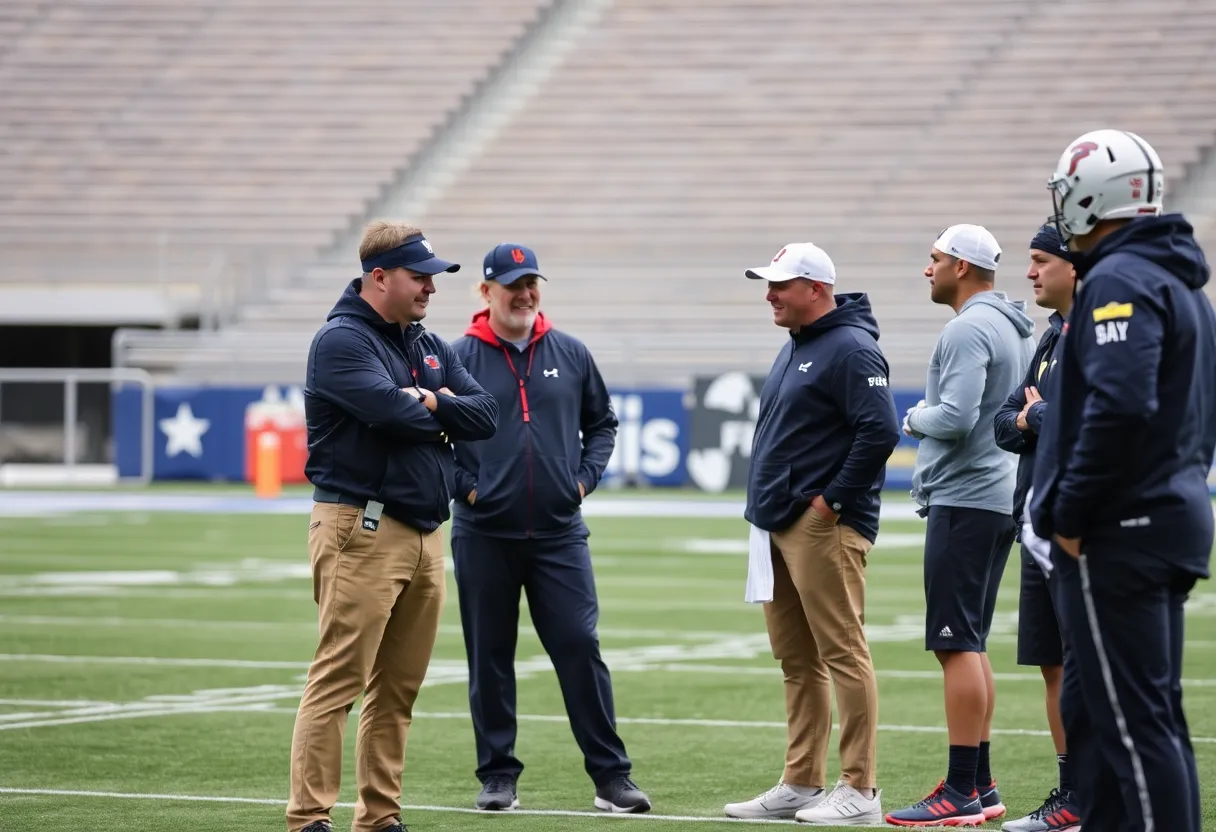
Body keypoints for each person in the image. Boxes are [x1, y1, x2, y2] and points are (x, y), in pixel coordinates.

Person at [1030, 129, 1216, 832]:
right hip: (1167, 513)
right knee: (1143, 722)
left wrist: (1070, 514)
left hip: (1123, 530)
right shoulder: (1175, 278)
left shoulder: (1118, 277)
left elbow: (1120, 406)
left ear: (1088, 196)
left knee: (1130, 729)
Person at [288, 221, 499, 832]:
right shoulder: (341, 341)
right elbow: (389, 413)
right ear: (378, 278)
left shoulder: (425, 342)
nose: (431, 288)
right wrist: (432, 410)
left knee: (398, 689)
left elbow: (483, 415)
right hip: (362, 525)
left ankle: (379, 817)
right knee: (340, 680)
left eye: (433, 277)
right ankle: (308, 819)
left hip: (426, 531)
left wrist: (430, 402)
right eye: (419, 277)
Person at [448, 243, 650, 814]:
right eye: (512, 284)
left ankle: (611, 777)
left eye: (531, 282)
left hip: (560, 531)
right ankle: (497, 776)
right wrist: (467, 487)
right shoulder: (456, 357)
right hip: (483, 532)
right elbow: (432, 439)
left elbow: (602, 424)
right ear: (486, 293)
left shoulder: (571, 351)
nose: (524, 293)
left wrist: (582, 480)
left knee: (580, 647)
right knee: (490, 654)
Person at [726, 242, 900, 825]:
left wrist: (831, 503)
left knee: (843, 652)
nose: (769, 294)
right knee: (797, 660)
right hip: (778, 522)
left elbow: (879, 433)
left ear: (816, 289)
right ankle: (802, 781)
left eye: (780, 284)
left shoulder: (850, 348)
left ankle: (861, 790)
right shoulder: (799, 344)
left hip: (820, 525)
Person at [886, 224, 1034, 827]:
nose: (928, 269)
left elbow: (954, 416)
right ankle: (982, 782)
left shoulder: (970, 326)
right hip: (996, 493)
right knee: (969, 642)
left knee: (955, 644)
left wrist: (911, 417)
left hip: (968, 495)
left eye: (936, 259)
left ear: (963, 268)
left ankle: (960, 789)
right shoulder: (1008, 323)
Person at [993, 225, 1081, 832]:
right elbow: (1004, 422)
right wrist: (1030, 418)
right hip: (1036, 519)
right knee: (1053, 664)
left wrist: (1037, 413)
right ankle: (1072, 792)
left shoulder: (1099, 336)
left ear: (1074, 267)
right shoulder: (1050, 336)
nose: (1030, 273)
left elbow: (1090, 417)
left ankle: (1095, 792)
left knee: (1083, 665)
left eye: (1041, 261)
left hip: (1080, 525)